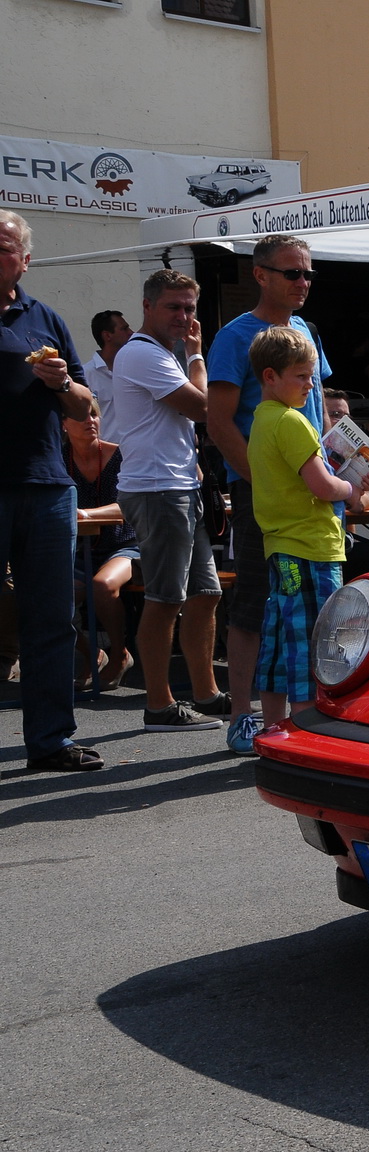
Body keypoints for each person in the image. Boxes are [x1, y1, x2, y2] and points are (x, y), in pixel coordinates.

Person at [206, 233, 330, 755]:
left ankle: (307, 717)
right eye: (291, 274)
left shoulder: (304, 329)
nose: (302, 283)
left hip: (315, 495)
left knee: (307, 607)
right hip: (267, 499)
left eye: (307, 274)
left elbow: (322, 409)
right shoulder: (237, 336)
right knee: (257, 603)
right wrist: (267, 484)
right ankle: (242, 717)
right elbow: (219, 423)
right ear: (260, 275)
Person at [0, 208, 103, 772]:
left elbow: (87, 406)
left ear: (25, 260)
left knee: (49, 617)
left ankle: (49, 741)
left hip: (45, 486)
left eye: (5, 246)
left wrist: (63, 381)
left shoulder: (44, 319)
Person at [108, 269, 227, 733]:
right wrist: (197, 355)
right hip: (158, 489)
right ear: (148, 306)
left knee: (207, 593)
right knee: (165, 599)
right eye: (173, 307)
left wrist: (191, 355)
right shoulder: (141, 353)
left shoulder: (159, 353)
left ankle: (206, 693)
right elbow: (202, 408)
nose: (183, 316)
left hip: (178, 486)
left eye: (190, 308)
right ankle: (158, 705)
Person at [246, 326, 369, 727]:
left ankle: (272, 724)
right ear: (271, 376)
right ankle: (306, 724)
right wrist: (352, 487)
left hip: (281, 547)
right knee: (315, 640)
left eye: (312, 375)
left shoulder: (262, 419)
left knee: (278, 637)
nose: (310, 385)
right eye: (302, 376)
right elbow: (323, 486)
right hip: (312, 548)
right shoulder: (293, 422)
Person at [63, 399, 138, 689]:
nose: (90, 421)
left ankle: (120, 654)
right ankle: (91, 653)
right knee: (49, 595)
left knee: (103, 586)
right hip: (79, 552)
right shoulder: (59, 459)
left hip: (125, 545)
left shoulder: (118, 456)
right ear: (63, 424)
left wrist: (84, 513)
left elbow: (129, 507)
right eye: (82, 416)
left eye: (94, 414)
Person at [85, 309, 132, 412]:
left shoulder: (134, 369)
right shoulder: (86, 375)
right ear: (107, 335)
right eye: (124, 329)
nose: (131, 333)